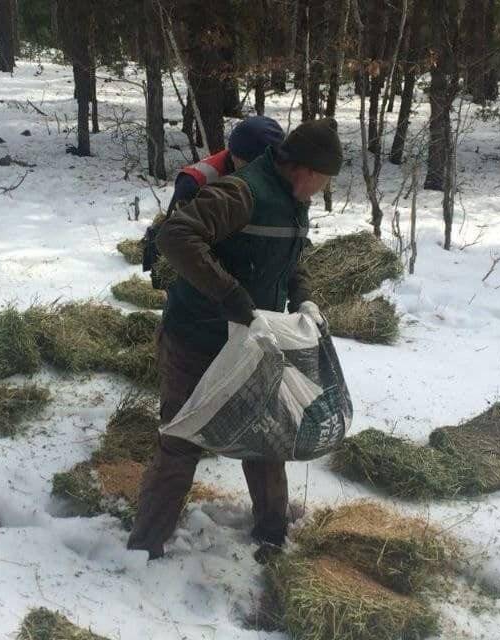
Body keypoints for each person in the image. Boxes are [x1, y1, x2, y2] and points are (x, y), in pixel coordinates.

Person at [127, 118, 343, 562]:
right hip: (197, 337)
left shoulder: (289, 199)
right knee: (181, 441)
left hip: (251, 343)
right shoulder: (243, 192)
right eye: (323, 180)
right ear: (304, 169)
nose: (322, 190)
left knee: (266, 435)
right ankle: (145, 547)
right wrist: (232, 298)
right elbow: (176, 235)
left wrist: (303, 299)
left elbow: (287, 257)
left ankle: (271, 532)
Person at [141, 116, 285, 285]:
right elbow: (186, 241)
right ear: (235, 156)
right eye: (256, 166)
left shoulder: (276, 171)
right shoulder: (196, 182)